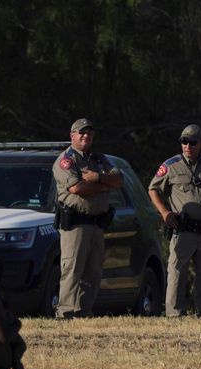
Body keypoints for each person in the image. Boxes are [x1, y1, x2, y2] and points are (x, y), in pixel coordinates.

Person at [148, 124, 201, 317]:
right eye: (184, 142)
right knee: (176, 272)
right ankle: (174, 314)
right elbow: (153, 189)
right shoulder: (171, 165)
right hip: (182, 229)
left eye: (193, 142)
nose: (188, 146)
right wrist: (164, 212)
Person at [51, 118, 123, 319]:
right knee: (72, 269)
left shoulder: (99, 159)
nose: (85, 136)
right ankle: (65, 312)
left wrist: (98, 177)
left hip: (97, 223)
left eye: (89, 133)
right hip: (76, 224)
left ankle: (83, 312)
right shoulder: (67, 160)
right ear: (72, 135)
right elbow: (77, 188)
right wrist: (104, 185)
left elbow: (119, 180)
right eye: (81, 132)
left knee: (93, 272)